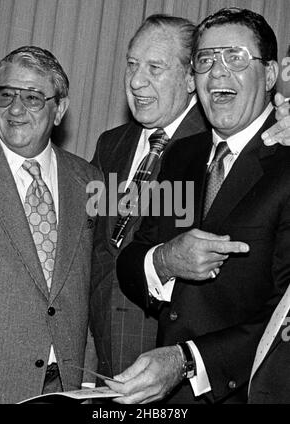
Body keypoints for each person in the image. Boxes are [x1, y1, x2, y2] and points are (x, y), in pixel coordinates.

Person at [88, 13, 290, 383]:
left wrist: (187, 361)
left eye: (235, 57)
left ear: (272, 74)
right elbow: (107, 249)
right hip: (115, 362)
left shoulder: (281, 148)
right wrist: (164, 260)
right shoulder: (165, 153)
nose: (218, 71)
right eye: (207, 60)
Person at [0, 46, 101, 403]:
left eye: (33, 98)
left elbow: (96, 282)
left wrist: (88, 377)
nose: (16, 109)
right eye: (4, 95)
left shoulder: (89, 179)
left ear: (60, 110)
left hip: (67, 383)